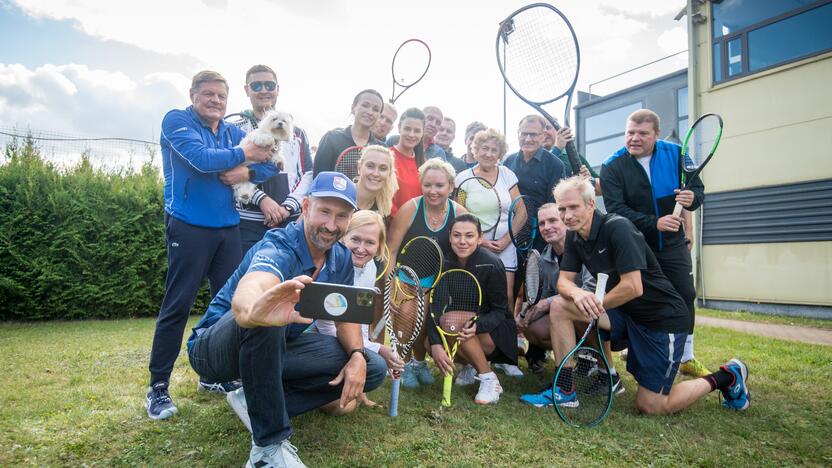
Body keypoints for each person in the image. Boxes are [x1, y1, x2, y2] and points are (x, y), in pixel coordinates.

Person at [187, 172, 387, 467]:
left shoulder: (341, 258)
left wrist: (357, 355)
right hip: (214, 350)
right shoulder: (280, 245)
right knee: (268, 315)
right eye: (324, 211)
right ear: (306, 207)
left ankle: (252, 399)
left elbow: (344, 318)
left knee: (372, 368)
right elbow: (254, 286)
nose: (332, 225)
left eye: (342, 216)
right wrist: (255, 309)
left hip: (277, 347)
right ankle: (267, 449)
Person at [548, 176, 749, 414]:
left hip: (661, 320)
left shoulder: (617, 227)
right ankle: (565, 390)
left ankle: (728, 376)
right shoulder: (574, 234)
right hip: (624, 313)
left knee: (652, 406)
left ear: (591, 204)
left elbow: (634, 287)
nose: (567, 215)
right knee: (561, 305)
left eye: (573, 207)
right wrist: (578, 294)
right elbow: (563, 282)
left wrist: (595, 304)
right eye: (562, 209)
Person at [146, 70, 275, 420]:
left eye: (221, 95)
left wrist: (244, 171)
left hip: (227, 228)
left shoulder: (233, 133)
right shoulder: (176, 121)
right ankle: (158, 387)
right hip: (187, 226)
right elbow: (202, 159)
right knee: (178, 305)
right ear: (193, 94)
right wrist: (244, 153)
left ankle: (215, 375)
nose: (215, 101)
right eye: (208, 94)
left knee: (233, 308)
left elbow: (268, 165)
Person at [600, 109, 708, 377]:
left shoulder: (677, 154)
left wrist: (690, 199)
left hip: (672, 243)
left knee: (685, 293)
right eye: (630, 133)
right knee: (639, 297)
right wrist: (654, 222)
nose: (634, 138)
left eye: (642, 134)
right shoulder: (612, 165)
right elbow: (615, 209)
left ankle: (686, 357)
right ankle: (634, 349)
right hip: (634, 245)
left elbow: (699, 191)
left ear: (656, 135)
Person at [386, 158, 467, 387]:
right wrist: (392, 286)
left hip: (438, 281)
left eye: (439, 186)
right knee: (407, 320)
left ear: (451, 186)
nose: (433, 191)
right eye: (427, 185)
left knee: (425, 324)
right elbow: (391, 250)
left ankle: (419, 363)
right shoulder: (410, 209)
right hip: (406, 278)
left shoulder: (459, 212)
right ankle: (403, 362)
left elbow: (466, 250)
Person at [312, 210, 404, 408]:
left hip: (340, 340)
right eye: (355, 239)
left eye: (370, 242)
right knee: (342, 407)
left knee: (347, 404)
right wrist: (379, 349)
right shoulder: (331, 269)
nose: (361, 248)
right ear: (343, 237)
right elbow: (329, 329)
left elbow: (359, 323)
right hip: (317, 338)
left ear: (379, 246)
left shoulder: (369, 268)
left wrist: (374, 348)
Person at [428, 214, 518, 405]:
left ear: (479, 238)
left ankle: (489, 378)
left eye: (469, 236)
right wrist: (436, 344)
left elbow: (500, 311)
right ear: (450, 237)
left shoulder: (492, 263)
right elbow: (435, 307)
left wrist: (478, 325)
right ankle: (471, 364)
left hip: (495, 333)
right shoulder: (445, 263)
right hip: (463, 327)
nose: (462, 241)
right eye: (457, 235)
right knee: (430, 343)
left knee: (453, 321)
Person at [233, 64, 313, 253]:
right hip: (245, 224)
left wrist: (287, 207)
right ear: (247, 90)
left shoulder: (297, 133)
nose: (263, 90)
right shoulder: (234, 128)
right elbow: (231, 174)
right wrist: (262, 200)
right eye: (256, 86)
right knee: (244, 281)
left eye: (269, 85)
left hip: (288, 221)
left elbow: (307, 173)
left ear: (278, 89)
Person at [454, 128, 521, 340]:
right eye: (485, 148)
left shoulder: (507, 174)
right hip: (475, 247)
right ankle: (475, 350)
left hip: (506, 246)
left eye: (495, 150)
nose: (489, 154)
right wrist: (480, 242)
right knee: (476, 298)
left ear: (500, 153)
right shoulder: (463, 178)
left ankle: (506, 350)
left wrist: (505, 241)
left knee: (507, 296)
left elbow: (522, 212)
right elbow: (460, 216)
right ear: (475, 149)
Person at [503, 115, 568, 215]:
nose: (528, 139)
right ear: (518, 134)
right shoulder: (508, 162)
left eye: (533, 134)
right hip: (509, 224)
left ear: (543, 136)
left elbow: (555, 206)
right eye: (524, 134)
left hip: (539, 226)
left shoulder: (555, 165)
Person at [313, 89, 384, 176]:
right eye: (365, 105)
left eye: (376, 109)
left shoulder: (382, 148)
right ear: (353, 108)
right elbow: (319, 179)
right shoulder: (331, 138)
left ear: (379, 115)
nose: (370, 112)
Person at [542, 119, 601, 195]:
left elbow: (602, 188)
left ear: (558, 131)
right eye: (540, 130)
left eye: (547, 127)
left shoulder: (573, 155)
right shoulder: (531, 159)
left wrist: (588, 180)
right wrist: (556, 149)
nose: (544, 132)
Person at [389, 108, 427, 216]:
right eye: (407, 129)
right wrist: (402, 223)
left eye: (417, 130)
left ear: (422, 133)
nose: (411, 134)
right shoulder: (387, 157)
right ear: (399, 128)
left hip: (416, 227)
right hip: (391, 226)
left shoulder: (424, 165)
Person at [354, 145, 398, 218]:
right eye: (370, 166)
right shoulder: (342, 197)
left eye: (383, 168)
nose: (376, 173)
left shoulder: (384, 208)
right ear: (359, 168)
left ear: (389, 173)